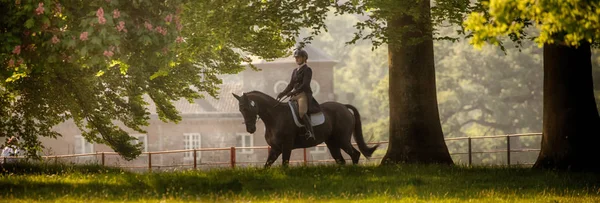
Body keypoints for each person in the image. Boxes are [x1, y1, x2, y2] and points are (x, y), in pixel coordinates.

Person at [277, 47, 322, 140]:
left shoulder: (307, 70)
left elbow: (305, 84)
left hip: (303, 94)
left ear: (304, 58)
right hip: (295, 94)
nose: (297, 59)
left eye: (299, 57)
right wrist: (283, 93)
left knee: (301, 112)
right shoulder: (295, 71)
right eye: (296, 58)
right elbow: (290, 85)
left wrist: (294, 92)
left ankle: (310, 132)